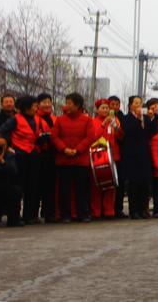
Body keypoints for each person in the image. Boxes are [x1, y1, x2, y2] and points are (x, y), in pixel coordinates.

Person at [51, 93, 95, 222]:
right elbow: (54, 137)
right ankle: (65, 214)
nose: (67, 105)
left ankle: (83, 213)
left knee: (82, 188)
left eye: (69, 103)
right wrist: (64, 149)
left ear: (77, 105)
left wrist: (77, 150)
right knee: (64, 189)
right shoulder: (60, 120)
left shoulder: (87, 120)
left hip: (81, 160)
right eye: (67, 103)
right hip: (64, 160)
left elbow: (90, 137)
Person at [0, 95, 41, 224]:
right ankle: (15, 216)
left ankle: (29, 215)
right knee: (19, 186)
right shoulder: (15, 119)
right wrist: (8, 146)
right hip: (19, 155)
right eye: (34, 106)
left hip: (33, 155)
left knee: (32, 186)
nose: (36, 108)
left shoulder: (36, 119)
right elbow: (1, 132)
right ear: (27, 107)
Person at [90, 99, 123, 219]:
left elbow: (120, 136)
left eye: (107, 108)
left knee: (111, 185)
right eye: (102, 108)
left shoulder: (114, 120)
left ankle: (109, 211)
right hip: (98, 156)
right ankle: (96, 212)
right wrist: (103, 124)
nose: (105, 110)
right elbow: (94, 136)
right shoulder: (93, 121)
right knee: (96, 185)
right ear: (97, 110)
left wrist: (116, 127)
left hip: (112, 155)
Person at [121, 95, 153, 219]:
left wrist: (146, 119)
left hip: (144, 154)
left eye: (140, 103)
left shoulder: (146, 118)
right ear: (130, 105)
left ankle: (143, 209)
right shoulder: (126, 118)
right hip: (132, 155)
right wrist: (138, 120)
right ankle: (133, 210)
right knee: (133, 184)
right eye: (135, 103)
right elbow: (128, 131)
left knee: (144, 184)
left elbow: (150, 132)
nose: (138, 105)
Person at [36, 93, 58, 223]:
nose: (47, 104)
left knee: (51, 185)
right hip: (40, 155)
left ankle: (49, 212)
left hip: (53, 154)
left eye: (49, 102)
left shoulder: (55, 118)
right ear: (38, 104)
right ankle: (33, 213)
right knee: (38, 185)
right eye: (44, 102)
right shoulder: (35, 118)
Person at [0, 136, 22, 227]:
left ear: (6, 146)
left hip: (2, 187)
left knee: (16, 191)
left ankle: (14, 220)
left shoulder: (9, 155)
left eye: (2, 145)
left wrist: (2, 161)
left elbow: (13, 172)